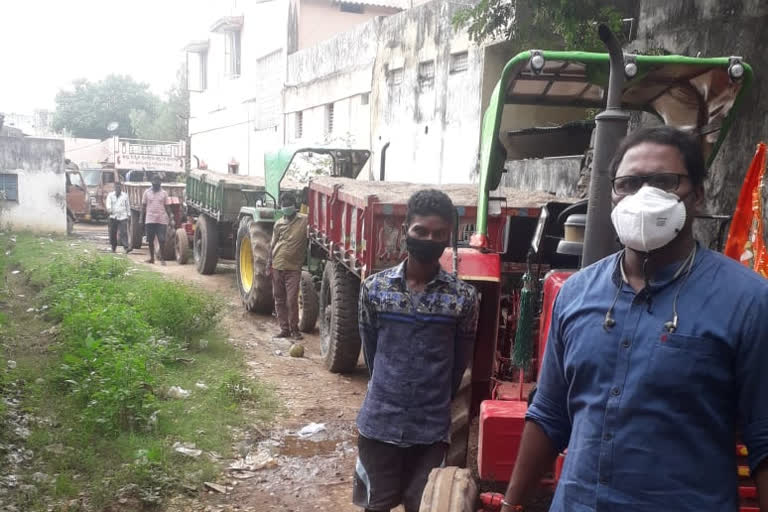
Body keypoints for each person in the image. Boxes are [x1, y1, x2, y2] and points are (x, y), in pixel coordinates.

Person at [501, 126, 768, 512]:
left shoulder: (747, 301)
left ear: (698, 193)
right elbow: (549, 414)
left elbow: (763, 439)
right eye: (629, 183)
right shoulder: (575, 295)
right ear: (612, 195)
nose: (644, 195)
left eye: (664, 181)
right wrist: (512, 504)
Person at [354, 189, 479, 512]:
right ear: (406, 229)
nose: (429, 239)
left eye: (439, 234)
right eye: (420, 231)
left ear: (448, 237)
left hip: (431, 431)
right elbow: (372, 351)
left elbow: (458, 364)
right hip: (379, 424)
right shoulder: (375, 288)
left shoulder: (463, 298)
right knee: (376, 505)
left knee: (424, 505)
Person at [266, 194, 308, 340]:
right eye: (284, 205)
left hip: (293, 268)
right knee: (279, 299)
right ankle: (284, 329)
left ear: (294, 205)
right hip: (277, 265)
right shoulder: (278, 224)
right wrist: (268, 264)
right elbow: (272, 245)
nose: (286, 207)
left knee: (291, 300)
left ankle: (294, 329)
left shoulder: (304, 220)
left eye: (288, 204)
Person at [141, 176, 173, 265]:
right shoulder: (146, 193)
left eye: (158, 183)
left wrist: (170, 218)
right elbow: (143, 206)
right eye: (155, 183)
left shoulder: (164, 193)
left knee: (162, 239)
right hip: (150, 219)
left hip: (161, 220)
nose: (156, 184)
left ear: (160, 183)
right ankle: (152, 258)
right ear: (151, 183)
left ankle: (162, 258)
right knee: (150, 240)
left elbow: (167, 207)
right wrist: (141, 219)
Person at [106, 181, 131, 253]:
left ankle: (126, 247)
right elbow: (108, 204)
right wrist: (109, 209)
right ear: (114, 188)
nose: (118, 188)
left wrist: (129, 215)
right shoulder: (110, 195)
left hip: (123, 216)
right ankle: (113, 247)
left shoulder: (125, 195)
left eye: (119, 187)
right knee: (113, 233)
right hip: (113, 216)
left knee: (124, 232)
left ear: (121, 187)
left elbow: (127, 206)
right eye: (116, 187)